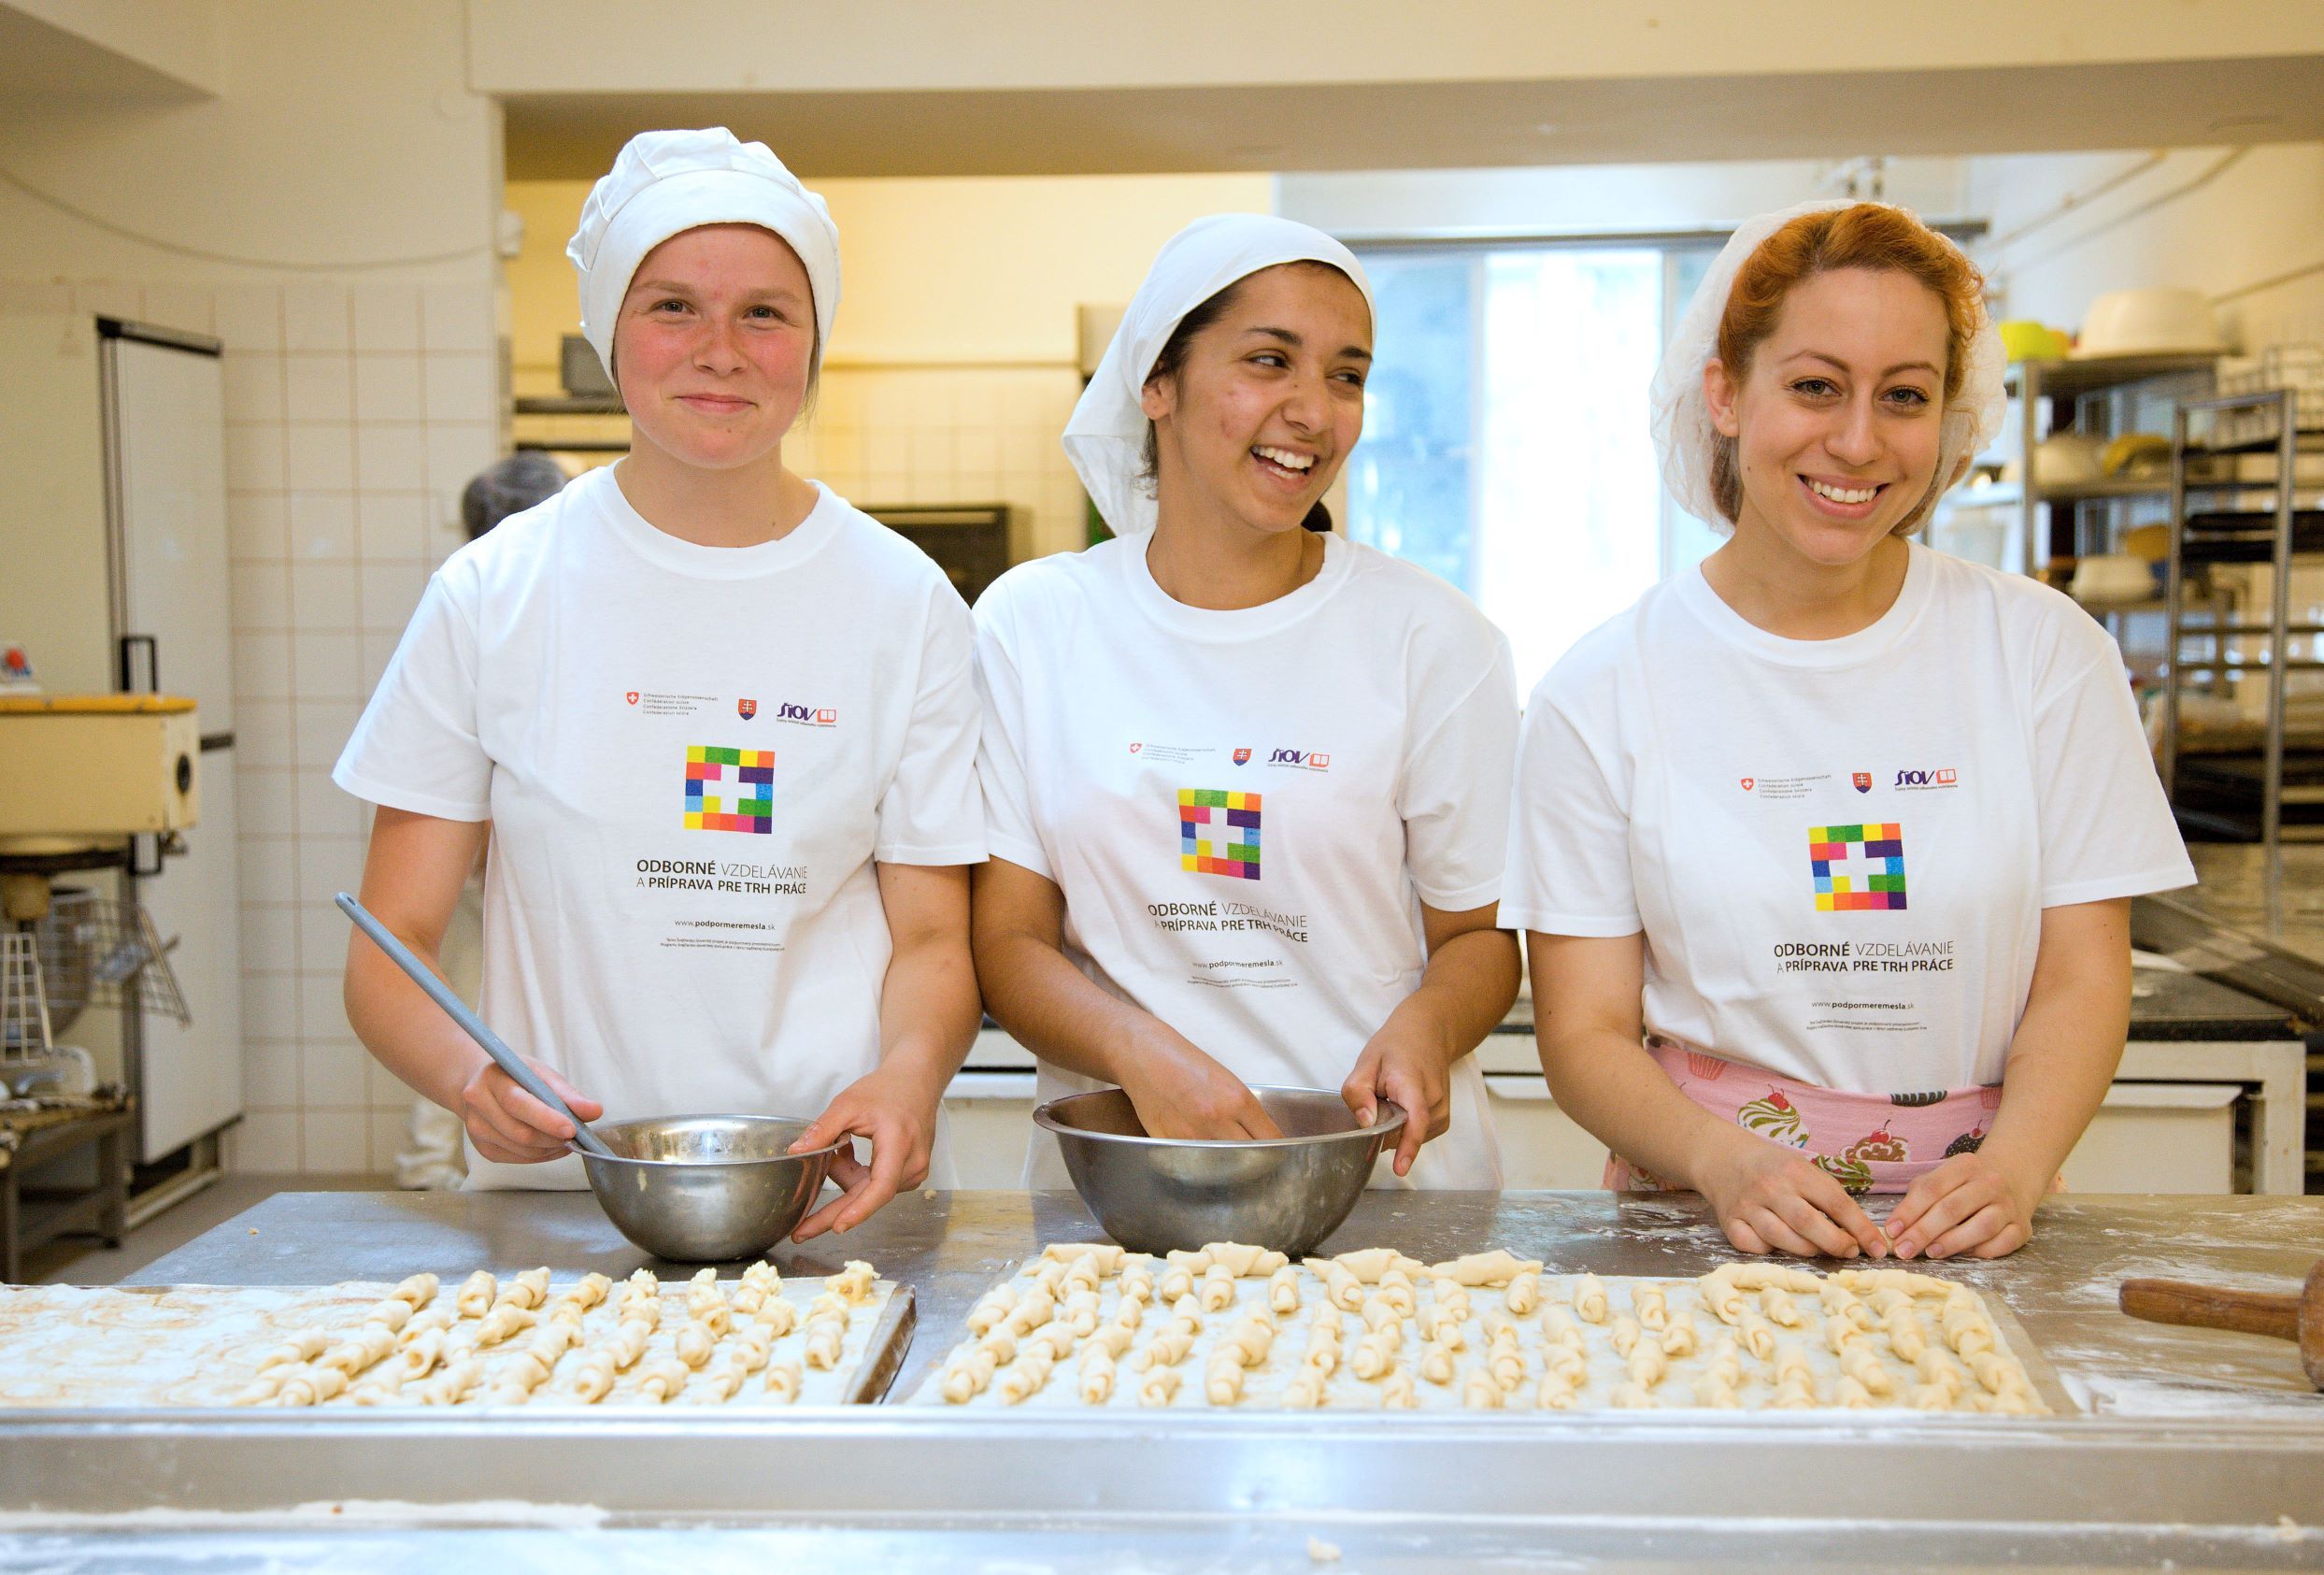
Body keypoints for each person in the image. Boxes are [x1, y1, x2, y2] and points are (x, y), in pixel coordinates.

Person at [1504, 201, 2195, 1261]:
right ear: (1726, 394)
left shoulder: (2044, 653)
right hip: (1707, 1223)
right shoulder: (1604, 688)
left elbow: (2082, 975)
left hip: (1976, 1221)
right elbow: (1584, 1032)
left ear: (1950, 417)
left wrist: (2012, 1168)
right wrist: (1725, 1160)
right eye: (1816, 385)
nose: (1860, 441)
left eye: (1905, 396)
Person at [336, 129, 985, 1239]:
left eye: (766, 313)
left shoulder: (905, 600)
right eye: (673, 306)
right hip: (565, 1205)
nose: (719, 350)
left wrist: (910, 1075)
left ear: (815, 342)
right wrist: (465, 1078)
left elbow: (934, 938)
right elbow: (390, 940)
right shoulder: (495, 593)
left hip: (827, 1189)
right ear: (609, 334)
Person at [973, 214, 1520, 1189]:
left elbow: (1477, 936)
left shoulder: (1432, 637)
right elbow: (1010, 937)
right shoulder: (1036, 624)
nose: (1314, 410)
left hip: (1378, 1179)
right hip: (1127, 1184)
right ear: (1157, 382)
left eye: (1346, 374)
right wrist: (1138, 1050)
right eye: (1270, 361)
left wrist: (1427, 1025)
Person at [393, 452, 573, 1191]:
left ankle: (429, 1170)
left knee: (461, 1008)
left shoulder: (491, 587)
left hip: (484, 863)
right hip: (486, 865)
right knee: (459, 1017)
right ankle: (430, 1172)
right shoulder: (490, 593)